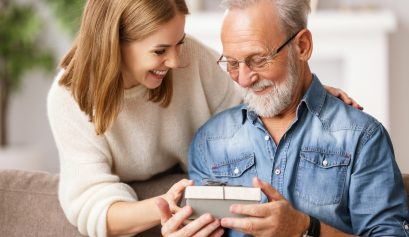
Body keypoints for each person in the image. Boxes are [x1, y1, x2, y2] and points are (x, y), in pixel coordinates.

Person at [47, 0, 362, 236]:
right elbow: (90, 203)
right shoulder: (69, 98)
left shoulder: (190, 60)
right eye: (159, 51)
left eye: (179, 42)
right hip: (154, 205)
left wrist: (307, 89)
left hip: (195, 186)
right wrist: (171, 206)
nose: (175, 60)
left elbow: (252, 94)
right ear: (114, 44)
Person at [169, 0, 408, 236]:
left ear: (302, 46)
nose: (242, 79)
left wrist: (305, 228)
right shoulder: (209, 140)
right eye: (232, 63)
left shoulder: (361, 137)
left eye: (259, 60)